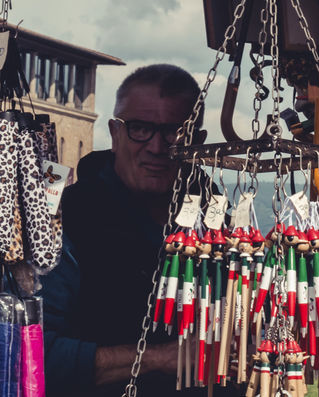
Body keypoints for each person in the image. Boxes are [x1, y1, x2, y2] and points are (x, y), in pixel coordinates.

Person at [40, 64, 207, 397]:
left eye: (175, 131)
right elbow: (36, 356)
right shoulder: (68, 221)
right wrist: (157, 358)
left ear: (198, 142)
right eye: (140, 129)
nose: (158, 147)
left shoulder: (218, 221)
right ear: (115, 134)